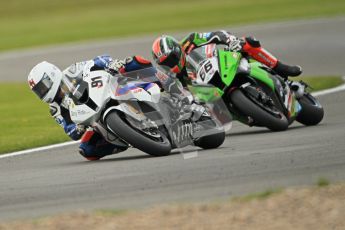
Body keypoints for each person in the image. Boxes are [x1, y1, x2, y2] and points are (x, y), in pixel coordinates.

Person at [27, 55, 152, 161]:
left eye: (42, 87)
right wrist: (78, 127)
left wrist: (110, 64)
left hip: (109, 89)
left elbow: (98, 60)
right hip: (96, 119)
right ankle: (126, 139)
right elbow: (70, 131)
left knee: (130, 62)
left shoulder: (73, 71)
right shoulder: (54, 109)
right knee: (87, 149)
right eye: (38, 91)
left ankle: (161, 80)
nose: (42, 92)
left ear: (51, 75)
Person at [151, 31, 302, 86]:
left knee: (249, 42)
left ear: (177, 49)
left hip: (223, 62)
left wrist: (230, 41)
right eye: (166, 63)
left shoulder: (190, 40)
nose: (171, 64)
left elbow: (218, 34)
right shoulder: (174, 75)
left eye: (172, 58)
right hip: (212, 91)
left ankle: (280, 67)